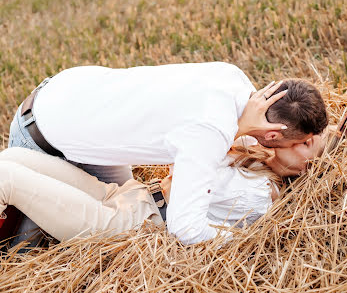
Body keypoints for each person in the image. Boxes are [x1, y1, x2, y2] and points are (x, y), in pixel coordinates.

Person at [8, 62, 328, 244]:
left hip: (129, 217)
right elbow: (200, 154)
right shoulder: (230, 141)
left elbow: (186, 225)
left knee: (6, 174)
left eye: (308, 145)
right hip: (53, 140)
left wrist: (245, 240)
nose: (306, 142)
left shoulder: (233, 79)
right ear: (274, 134)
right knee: (9, 166)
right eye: (303, 140)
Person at [0, 128, 328, 243]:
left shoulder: (259, 194)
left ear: (306, 168)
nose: (297, 139)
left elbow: (189, 165)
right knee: (12, 157)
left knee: (6, 179)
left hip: (128, 225)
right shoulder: (258, 157)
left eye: (306, 144)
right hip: (128, 195)